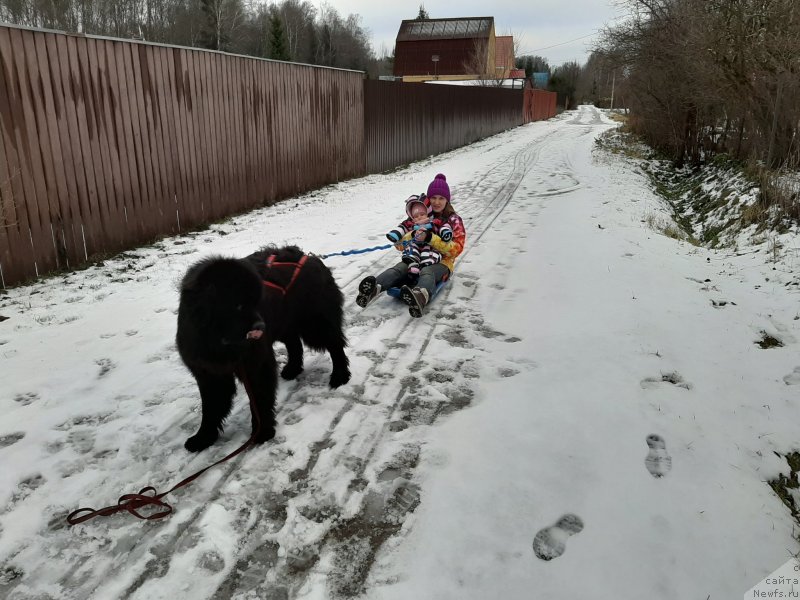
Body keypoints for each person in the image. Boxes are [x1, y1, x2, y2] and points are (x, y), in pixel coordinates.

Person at [356, 173, 466, 318]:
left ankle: (420, 297)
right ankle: (373, 289)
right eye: (433, 198)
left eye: (441, 198)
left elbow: (456, 249)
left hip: (441, 262)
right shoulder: (420, 214)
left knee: (427, 271)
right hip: (415, 258)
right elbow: (401, 244)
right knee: (399, 268)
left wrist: (430, 238)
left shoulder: (453, 220)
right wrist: (408, 237)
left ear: (447, 200)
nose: (437, 202)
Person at [387, 195, 453, 277]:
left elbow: (443, 226)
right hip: (416, 248)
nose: (419, 217)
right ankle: (412, 266)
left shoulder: (434, 222)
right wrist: (396, 234)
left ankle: (423, 267)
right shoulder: (411, 224)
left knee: (429, 253)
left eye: (422, 214)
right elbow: (402, 228)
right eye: (416, 216)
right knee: (410, 250)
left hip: (430, 248)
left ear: (427, 213)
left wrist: (445, 232)